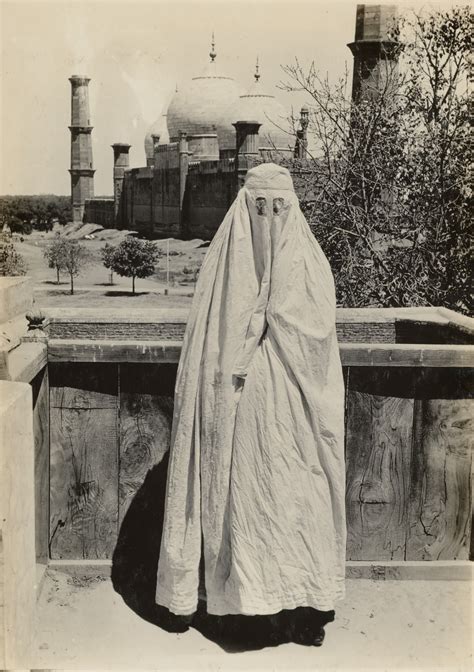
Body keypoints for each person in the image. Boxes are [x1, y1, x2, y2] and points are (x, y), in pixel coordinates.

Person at [156, 162, 346, 646]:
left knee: (298, 503)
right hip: (236, 411)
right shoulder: (227, 261)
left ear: (292, 208)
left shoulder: (307, 262)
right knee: (241, 504)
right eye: (259, 208)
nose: (269, 219)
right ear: (245, 208)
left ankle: (302, 605)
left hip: (296, 412)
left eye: (278, 208)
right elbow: (217, 332)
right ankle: (241, 607)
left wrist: (261, 329)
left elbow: (312, 330)